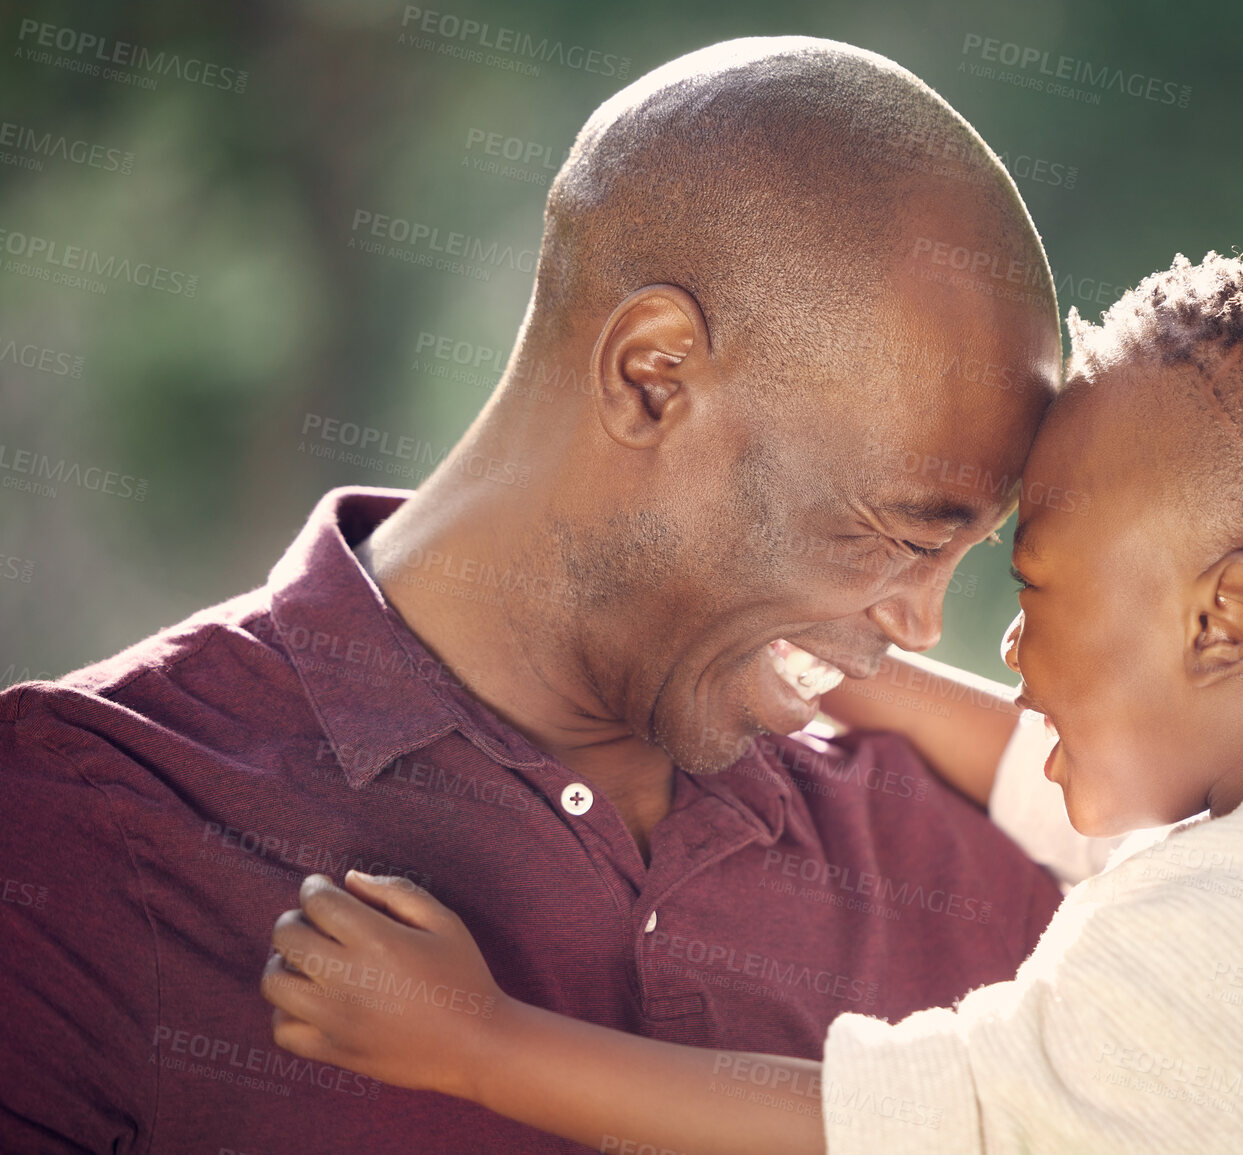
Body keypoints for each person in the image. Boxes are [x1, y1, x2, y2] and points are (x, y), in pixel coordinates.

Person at [0, 38, 1074, 1154]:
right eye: (898, 535)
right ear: (652, 377)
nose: (922, 625)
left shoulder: (983, 883)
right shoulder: (79, 833)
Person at [260, 247, 1243, 1155]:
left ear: (1221, 620)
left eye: (1035, 591)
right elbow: (1072, 790)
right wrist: (858, 682)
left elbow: (864, 1119)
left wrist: (476, 1040)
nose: (1007, 648)